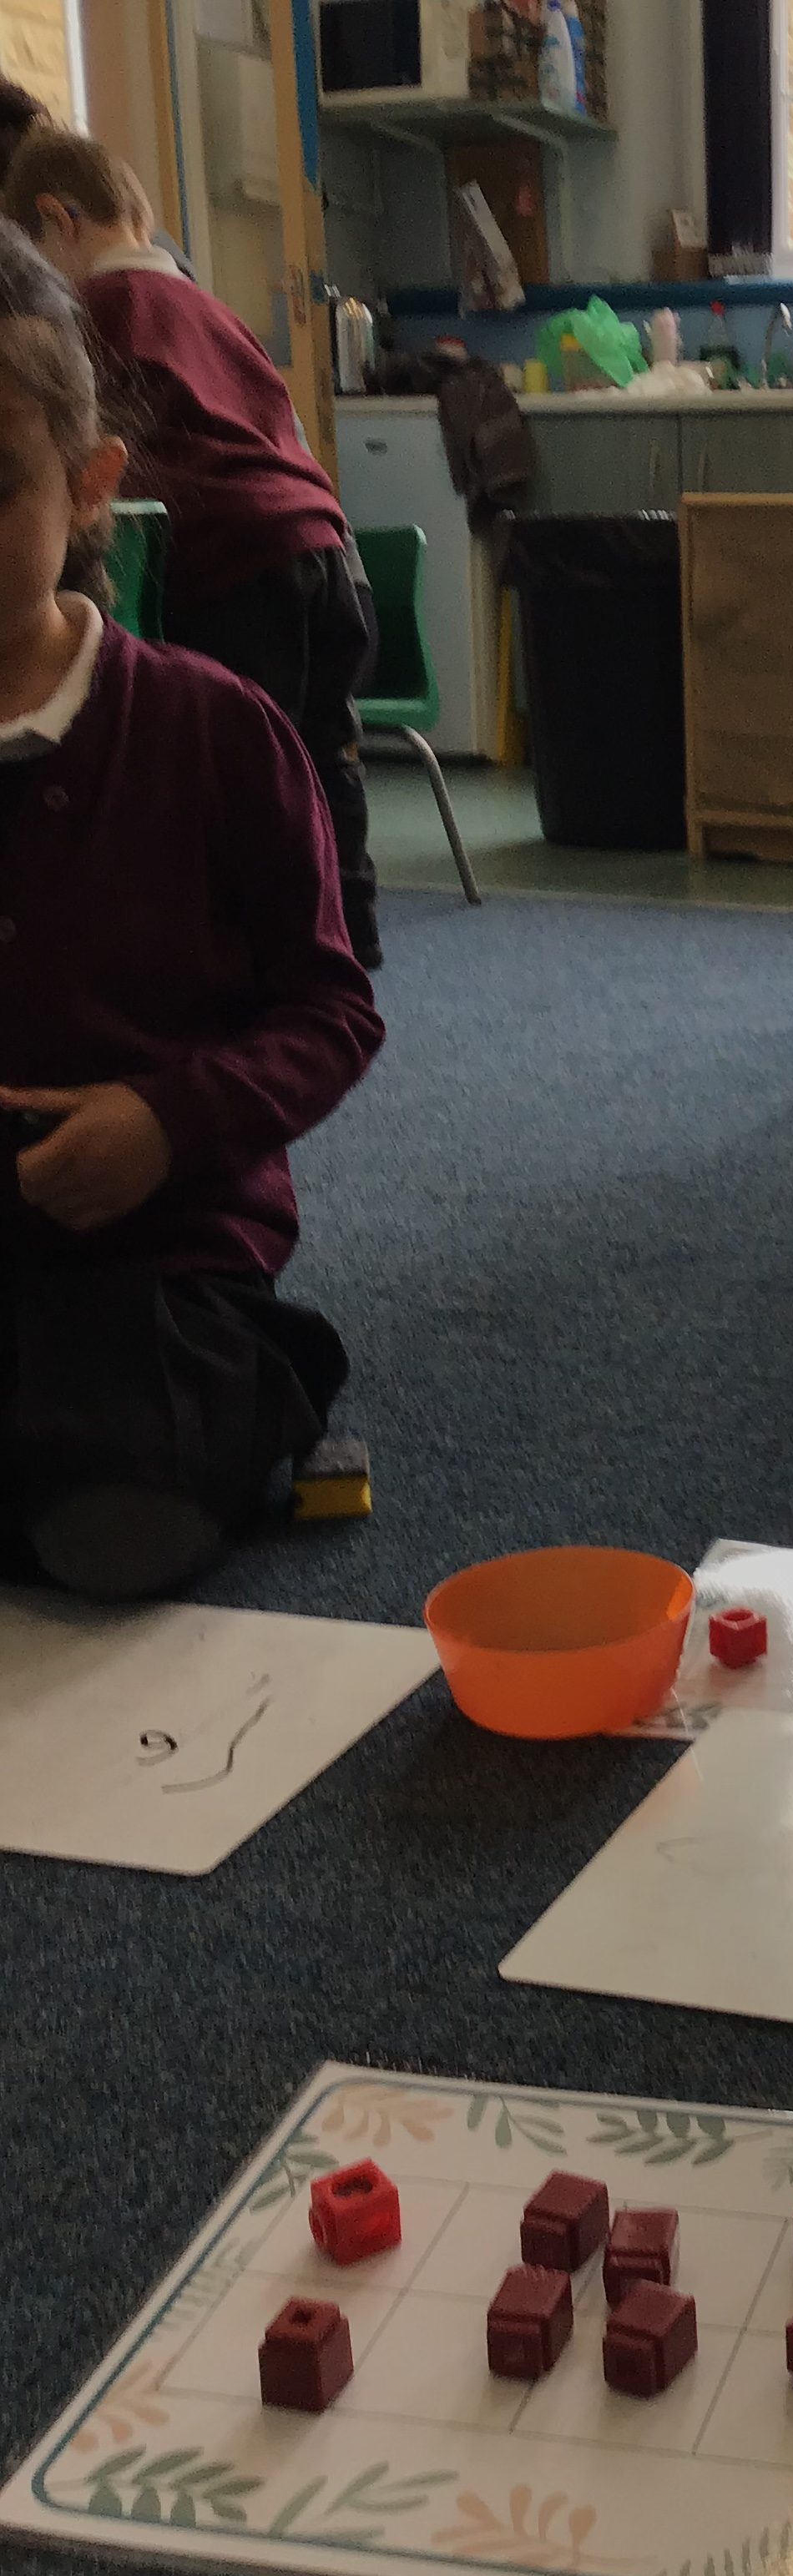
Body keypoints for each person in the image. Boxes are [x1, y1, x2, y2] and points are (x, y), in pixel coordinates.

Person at [0, 220, 383, 1600]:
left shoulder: (211, 731)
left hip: (164, 1259)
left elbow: (331, 1012)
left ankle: (264, 1384)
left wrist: (170, 1119)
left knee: (122, 1520)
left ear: (90, 486)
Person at [2, 130, 381, 965]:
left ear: (57, 220)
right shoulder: (214, 311)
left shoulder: (94, 315)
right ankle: (347, 941)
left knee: (242, 776)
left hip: (240, 566)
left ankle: (258, 952)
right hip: (328, 551)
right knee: (324, 759)